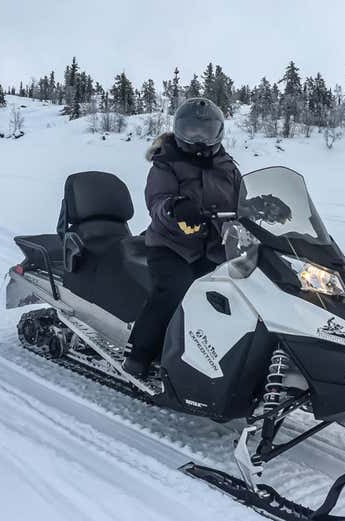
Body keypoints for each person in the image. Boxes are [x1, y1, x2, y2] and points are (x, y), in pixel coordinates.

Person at [123, 98, 242, 378]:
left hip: (215, 248)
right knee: (175, 289)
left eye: (206, 131)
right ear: (179, 130)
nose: (199, 138)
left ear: (218, 132)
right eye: (191, 130)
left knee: (238, 295)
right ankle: (138, 354)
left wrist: (269, 205)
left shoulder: (226, 166)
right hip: (171, 246)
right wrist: (175, 207)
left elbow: (244, 197)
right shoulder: (167, 163)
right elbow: (157, 200)